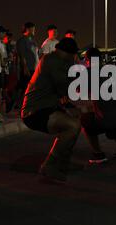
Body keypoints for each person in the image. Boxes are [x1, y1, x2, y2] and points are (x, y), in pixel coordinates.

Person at [21, 38, 81, 183]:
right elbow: (65, 87)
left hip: (47, 107)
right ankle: (49, 165)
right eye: (73, 55)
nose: (75, 58)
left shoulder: (62, 61)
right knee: (73, 126)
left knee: (76, 120)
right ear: (67, 53)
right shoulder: (51, 61)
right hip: (35, 111)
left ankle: (63, 163)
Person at [80, 48, 116, 164]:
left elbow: (81, 94)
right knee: (112, 121)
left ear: (87, 59)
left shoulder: (87, 73)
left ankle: (98, 154)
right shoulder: (112, 70)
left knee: (86, 120)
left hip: (109, 118)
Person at [16, 22, 39, 107]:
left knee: (32, 88)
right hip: (28, 69)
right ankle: (22, 105)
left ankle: (29, 104)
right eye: (33, 29)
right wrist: (25, 68)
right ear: (28, 29)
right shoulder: (22, 40)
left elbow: (36, 55)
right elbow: (22, 56)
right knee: (25, 88)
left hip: (34, 68)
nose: (34, 31)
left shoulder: (33, 41)